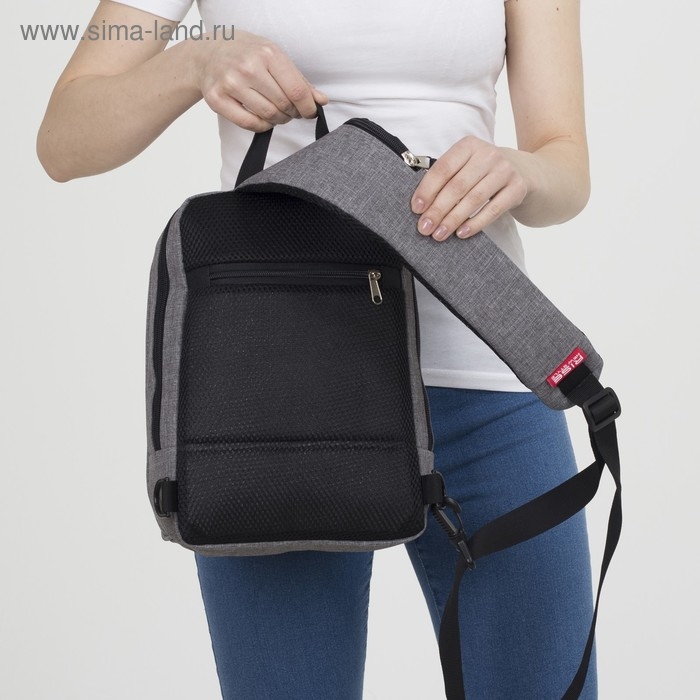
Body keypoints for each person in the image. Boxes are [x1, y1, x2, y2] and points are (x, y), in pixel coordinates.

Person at [37, 1, 597, 697]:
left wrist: (524, 172)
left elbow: (565, 162)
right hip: (280, 387)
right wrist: (195, 62)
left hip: (487, 363)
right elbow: (64, 141)